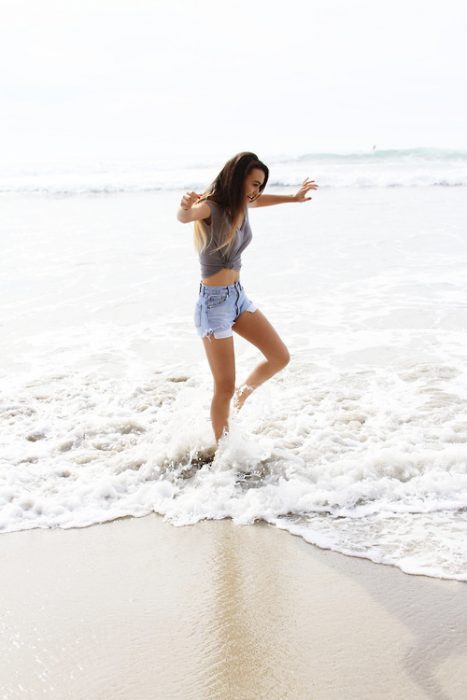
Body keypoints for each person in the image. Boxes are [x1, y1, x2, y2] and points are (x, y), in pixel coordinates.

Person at [176, 151, 318, 447]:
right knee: (223, 387)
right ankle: (223, 453)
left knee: (280, 357)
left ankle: (240, 400)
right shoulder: (211, 207)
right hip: (213, 305)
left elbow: (260, 202)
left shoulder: (243, 204)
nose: (256, 191)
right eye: (253, 184)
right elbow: (186, 217)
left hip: (238, 298)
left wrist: (293, 198)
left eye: (260, 186)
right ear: (237, 178)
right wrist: (184, 207)